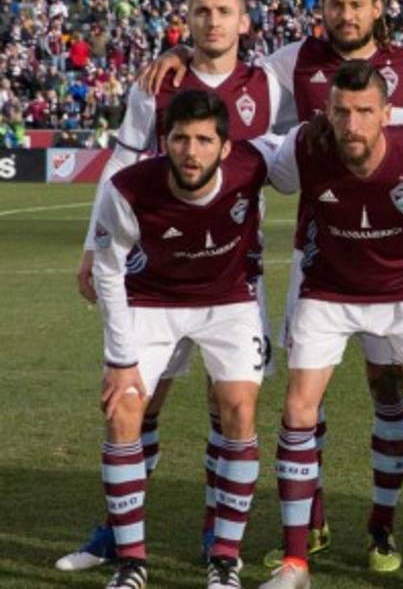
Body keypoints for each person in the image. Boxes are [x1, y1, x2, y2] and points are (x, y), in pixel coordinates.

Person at [141, 0, 403, 572]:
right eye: (334, 4)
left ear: (378, 7)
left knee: (390, 391)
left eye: (357, 4)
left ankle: (382, 524)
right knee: (309, 399)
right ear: (321, 8)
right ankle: (315, 519)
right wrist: (178, 50)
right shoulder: (288, 62)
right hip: (319, 256)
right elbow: (226, 73)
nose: (345, 15)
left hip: (392, 259)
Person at [63, 0, 288, 572]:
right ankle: (117, 530)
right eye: (201, 12)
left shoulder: (269, 80)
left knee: (230, 405)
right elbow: (122, 166)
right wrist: (93, 246)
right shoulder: (154, 83)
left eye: (223, 11)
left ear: (245, 20)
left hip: (236, 270)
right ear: (186, 20)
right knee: (142, 398)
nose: (212, 21)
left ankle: (218, 539)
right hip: (155, 272)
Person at [258, 60, 403, 589]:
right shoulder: (305, 145)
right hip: (328, 290)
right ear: (327, 111)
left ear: (387, 114)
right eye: (342, 112)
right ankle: (296, 562)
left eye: (365, 112)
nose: (352, 124)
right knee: (298, 409)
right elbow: (253, 162)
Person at [91, 89, 282, 589]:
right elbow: (109, 273)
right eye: (179, 139)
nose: (190, 151)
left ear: (224, 147)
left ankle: (224, 558)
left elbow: (309, 144)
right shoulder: (128, 188)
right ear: (164, 142)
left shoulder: (253, 163)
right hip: (152, 301)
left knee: (239, 408)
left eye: (203, 140)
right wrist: (120, 359)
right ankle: (131, 563)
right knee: (124, 407)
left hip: (229, 300)